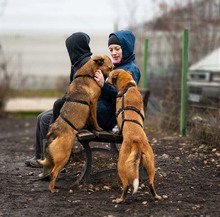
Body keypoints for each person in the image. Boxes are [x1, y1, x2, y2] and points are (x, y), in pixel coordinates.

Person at [25, 30, 141, 171]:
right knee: (46, 117)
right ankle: (48, 158)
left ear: (127, 48)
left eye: (117, 48)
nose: (114, 52)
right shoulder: (114, 67)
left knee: (58, 108)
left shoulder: (130, 70)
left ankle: (53, 160)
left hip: (104, 116)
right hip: (94, 110)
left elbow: (123, 95)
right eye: (111, 49)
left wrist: (102, 85)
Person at [25, 32, 93, 168]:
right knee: (41, 117)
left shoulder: (87, 64)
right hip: (72, 106)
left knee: (45, 120)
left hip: (76, 112)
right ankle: (40, 156)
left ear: (75, 48)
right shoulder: (77, 64)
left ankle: (49, 158)